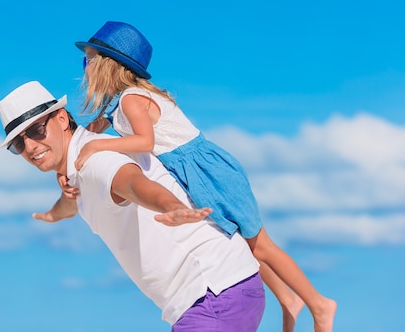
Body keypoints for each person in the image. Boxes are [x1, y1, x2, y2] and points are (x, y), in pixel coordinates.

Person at [68, 21, 337, 332]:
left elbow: (146, 142)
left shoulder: (132, 99)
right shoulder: (114, 106)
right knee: (240, 242)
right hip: (189, 174)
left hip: (207, 170)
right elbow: (84, 137)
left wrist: (99, 146)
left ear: (107, 65)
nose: (84, 68)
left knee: (260, 245)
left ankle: (319, 304)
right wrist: (73, 169)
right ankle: (289, 301)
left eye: (87, 60)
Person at [0, 80, 265, 331]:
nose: (30, 146)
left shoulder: (94, 162)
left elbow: (132, 183)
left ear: (62, 118)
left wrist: (170, 205)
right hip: (212, 295)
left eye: (36, 130)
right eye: (19, 143)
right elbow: (72, 203)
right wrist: (54, 214)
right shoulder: (77, 169)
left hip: (212, 291)